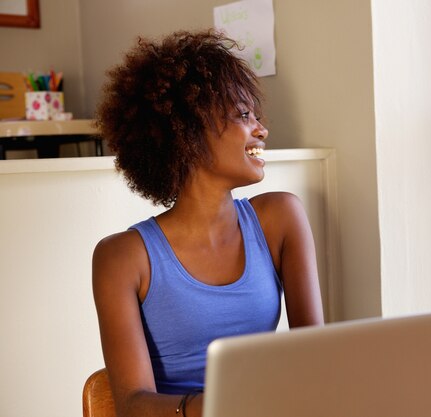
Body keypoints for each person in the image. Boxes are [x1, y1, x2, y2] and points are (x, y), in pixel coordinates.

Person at [92, 29, 324, 417]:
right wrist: (227, 406)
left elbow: (317, 360)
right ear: (190, 132)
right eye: (242, 114)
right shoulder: (121, 258)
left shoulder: (281, 219)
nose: (261, 129)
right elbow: (133, 405)